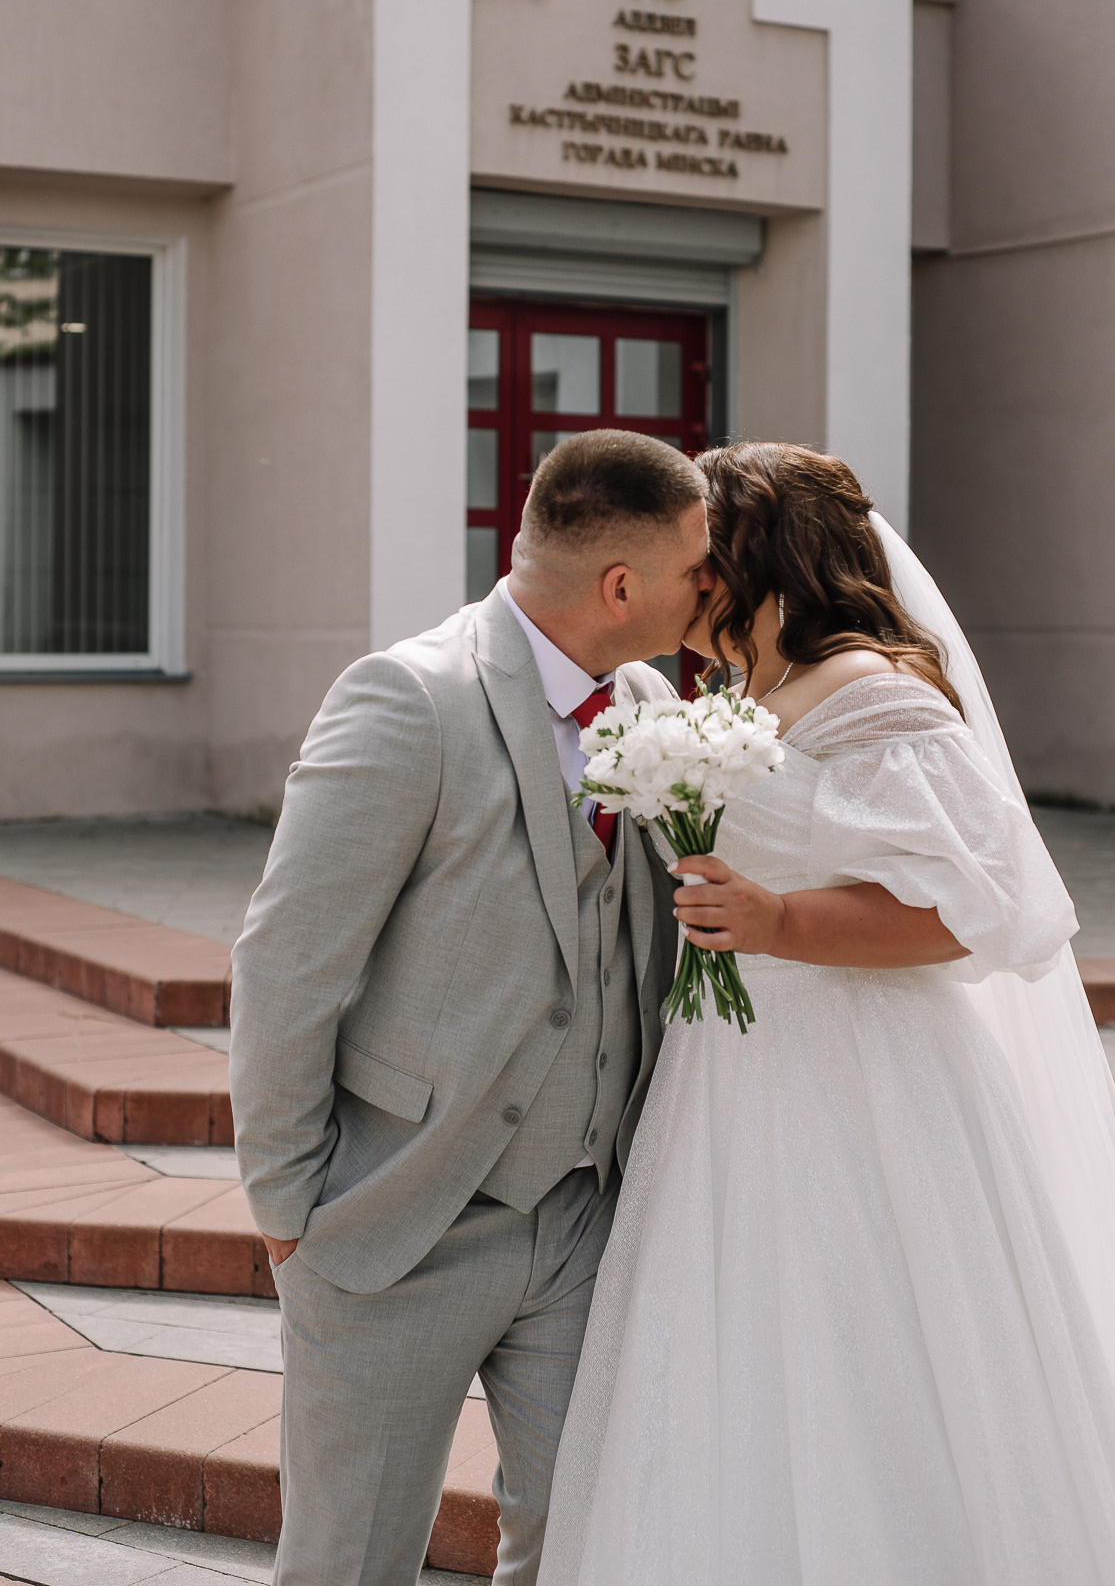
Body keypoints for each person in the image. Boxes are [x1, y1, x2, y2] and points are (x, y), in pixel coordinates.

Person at [537, 441, 1115, 1586]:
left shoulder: (871, 691)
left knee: (875, 1359)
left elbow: (977, 911)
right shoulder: (735, 694)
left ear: (757, 558)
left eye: (704, 559)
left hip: (867, 1080)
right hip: (734, 1074)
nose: (686, 584)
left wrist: (780, 923)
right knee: (737, 1359)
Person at [228, 429, 715, 1586]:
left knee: (588, 1542)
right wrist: (290, 1203)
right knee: (351, 1561)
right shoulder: (407, 699)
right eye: (698, 567)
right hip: (396, 1219)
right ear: (619, 586)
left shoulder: (646, 698)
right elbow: (288, 962)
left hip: (583, 1217)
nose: (713, 588)